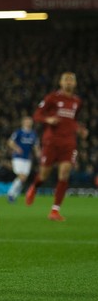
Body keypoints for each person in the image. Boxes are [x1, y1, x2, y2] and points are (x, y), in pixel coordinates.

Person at [26, 72, 89, 221]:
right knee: (44, 174)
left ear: (75, 83)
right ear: (60, 82)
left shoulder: (77, 101)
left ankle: (55, 211)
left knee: (65, 173)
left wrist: (80, 129)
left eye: (71, 80)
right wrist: (48, 119)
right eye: (66, 80)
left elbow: (73, 120)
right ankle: (34, 187)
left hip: (69, 142)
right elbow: (37, 115)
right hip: (52, 141)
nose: (68, 82)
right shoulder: (52, 98)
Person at [6, 116, 40, 203]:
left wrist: (38, 154)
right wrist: (17, 148)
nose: (29, 123)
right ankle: (10, 193)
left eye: (30, 121)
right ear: (23, 123)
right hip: (18, 157)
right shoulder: (19, 132)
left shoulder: (33, 134)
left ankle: (14, 195)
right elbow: (10, 142)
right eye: (27, 121)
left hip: (27, 158)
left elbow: (36, 146)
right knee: (21, 176)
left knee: (23, 179)